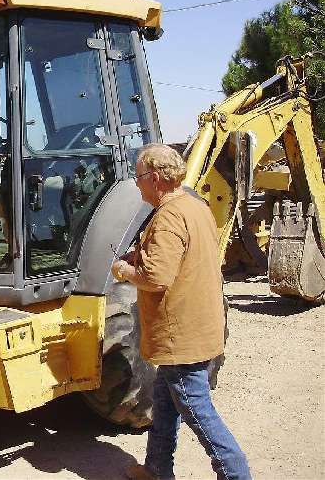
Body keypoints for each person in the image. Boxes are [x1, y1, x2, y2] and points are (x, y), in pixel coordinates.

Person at [111, 144, 251, 480]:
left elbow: (156, 277)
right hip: (199, 326)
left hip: (181, 337)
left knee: (197, 410)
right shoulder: (193, 205)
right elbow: (179, 257)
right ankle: (157, 470)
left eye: (139, 175)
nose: (136, 181)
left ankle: (236, 474)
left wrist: (123, 270)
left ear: (156, 178)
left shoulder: (168, 216)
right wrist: (141, 255)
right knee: (164, 402)